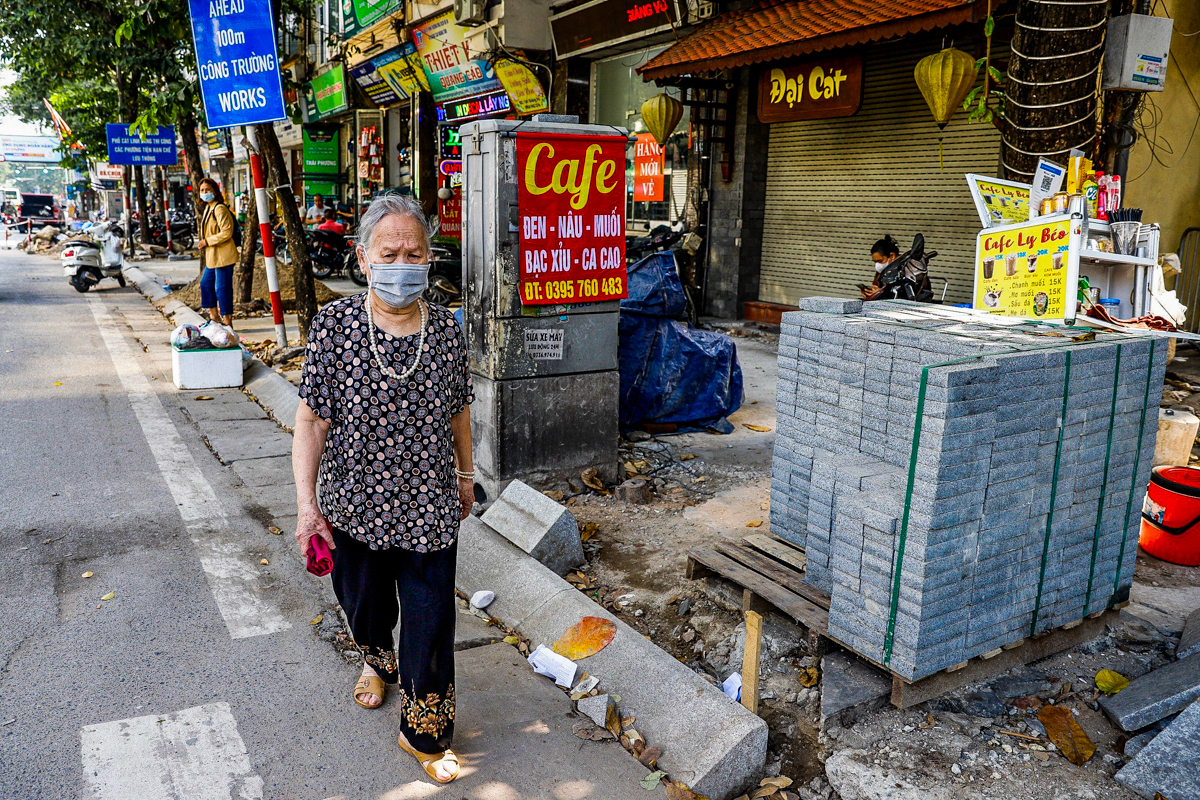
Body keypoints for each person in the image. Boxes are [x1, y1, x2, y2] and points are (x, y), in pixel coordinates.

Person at [292, 194, 473, 785]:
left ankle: (423, 729)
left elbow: (459, 413)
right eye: (388, 252)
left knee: (430, 616)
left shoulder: (446, 327)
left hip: (428, 504)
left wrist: (466, 476)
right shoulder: (336, 327)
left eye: (413, 253)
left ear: (429, 259)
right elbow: (312, 420)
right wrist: (307, 507)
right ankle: (375, 658)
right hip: (353, 504)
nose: (402, 263)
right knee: (366, 605)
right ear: (364, 259)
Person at [197, 178, 238, 328]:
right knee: (205, 284)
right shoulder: (209, 208)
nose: (205, 193)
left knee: (222, 288)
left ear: (214, 191)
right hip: (213, 257)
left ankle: (227, 320)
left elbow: (227, 231)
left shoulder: (219, 209)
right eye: (202, 190)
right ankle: (214, 317)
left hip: (224, 255)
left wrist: (207, 241)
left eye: (208, 190)